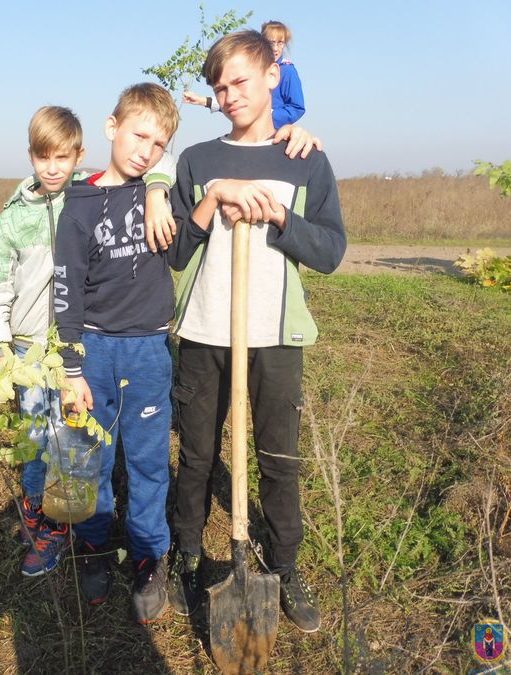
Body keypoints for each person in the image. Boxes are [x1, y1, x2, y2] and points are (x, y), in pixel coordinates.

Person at [166, 30, 345, 633]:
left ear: (273, 76)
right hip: (204, 330)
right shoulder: (198, 160)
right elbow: (177, 251)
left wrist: (282, 218)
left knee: (279, 458)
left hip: (273, 335)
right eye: (218, 87)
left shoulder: (304, 158)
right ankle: (185, 555)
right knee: (196, 455)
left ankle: (285, 564)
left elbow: (331, 251)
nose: (228, 95)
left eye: (240, 81)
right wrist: (212, 199)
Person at [0, 105, 175, 579]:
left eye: (63, 158)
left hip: (79, 344)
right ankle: (46, 523)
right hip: (31, 348)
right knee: (39, 440)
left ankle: (76, 524)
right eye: (44, 157)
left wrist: (155, 189)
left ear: (78, 156)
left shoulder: (88, 194)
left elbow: (156, 156)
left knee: (75, 443)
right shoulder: (13, 219)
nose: (53, 167)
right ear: (31, 156)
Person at [52, 83, 179, 624]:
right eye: (137, 134)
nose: (145, 149)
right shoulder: (78, 204)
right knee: (86, 454)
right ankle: (93, 544)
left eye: (157, 142)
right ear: (111, 127)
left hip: (150, 348)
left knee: (149, 458)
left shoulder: (163, 187)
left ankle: (151, 554)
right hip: (95, 349)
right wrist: (71, 368)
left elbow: (181, 166)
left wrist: (160, 185)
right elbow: (66, 290)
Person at [182, 19, 305, 129]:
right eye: (271, 42)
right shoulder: (252, 68)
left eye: (280, 43)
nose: (275, 48)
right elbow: (239, 102)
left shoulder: (287, 71)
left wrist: (266, 117)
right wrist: (202, 101)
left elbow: (297, 107)